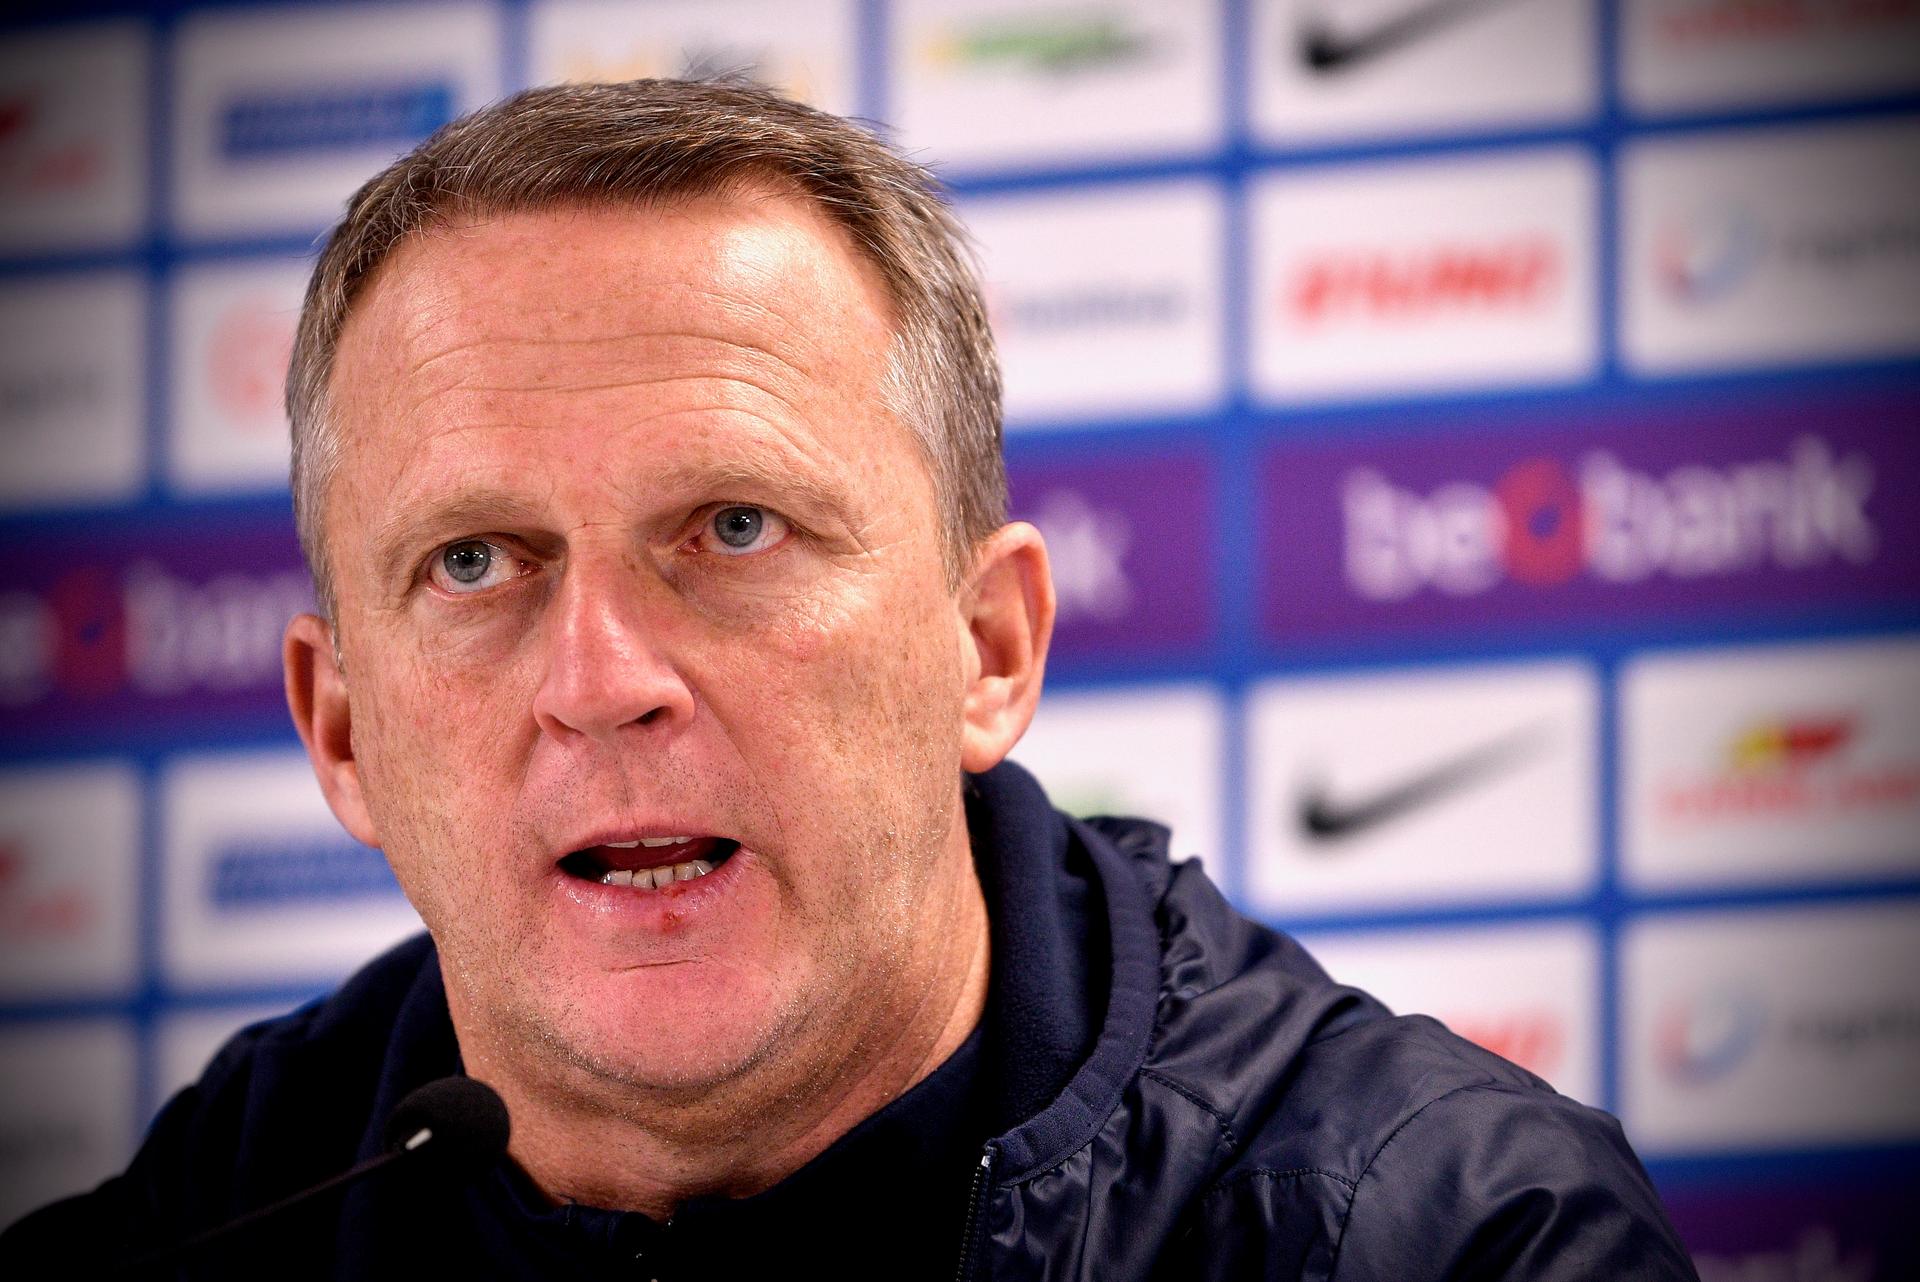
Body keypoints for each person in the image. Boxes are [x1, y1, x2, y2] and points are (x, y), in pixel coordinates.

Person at [1, 79, 1698, 1280]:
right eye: (473, 563)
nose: (601, 680)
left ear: (990, 648)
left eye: (733, 527)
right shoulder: (220, 1213)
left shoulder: (1442, 1235)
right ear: (343, 734)